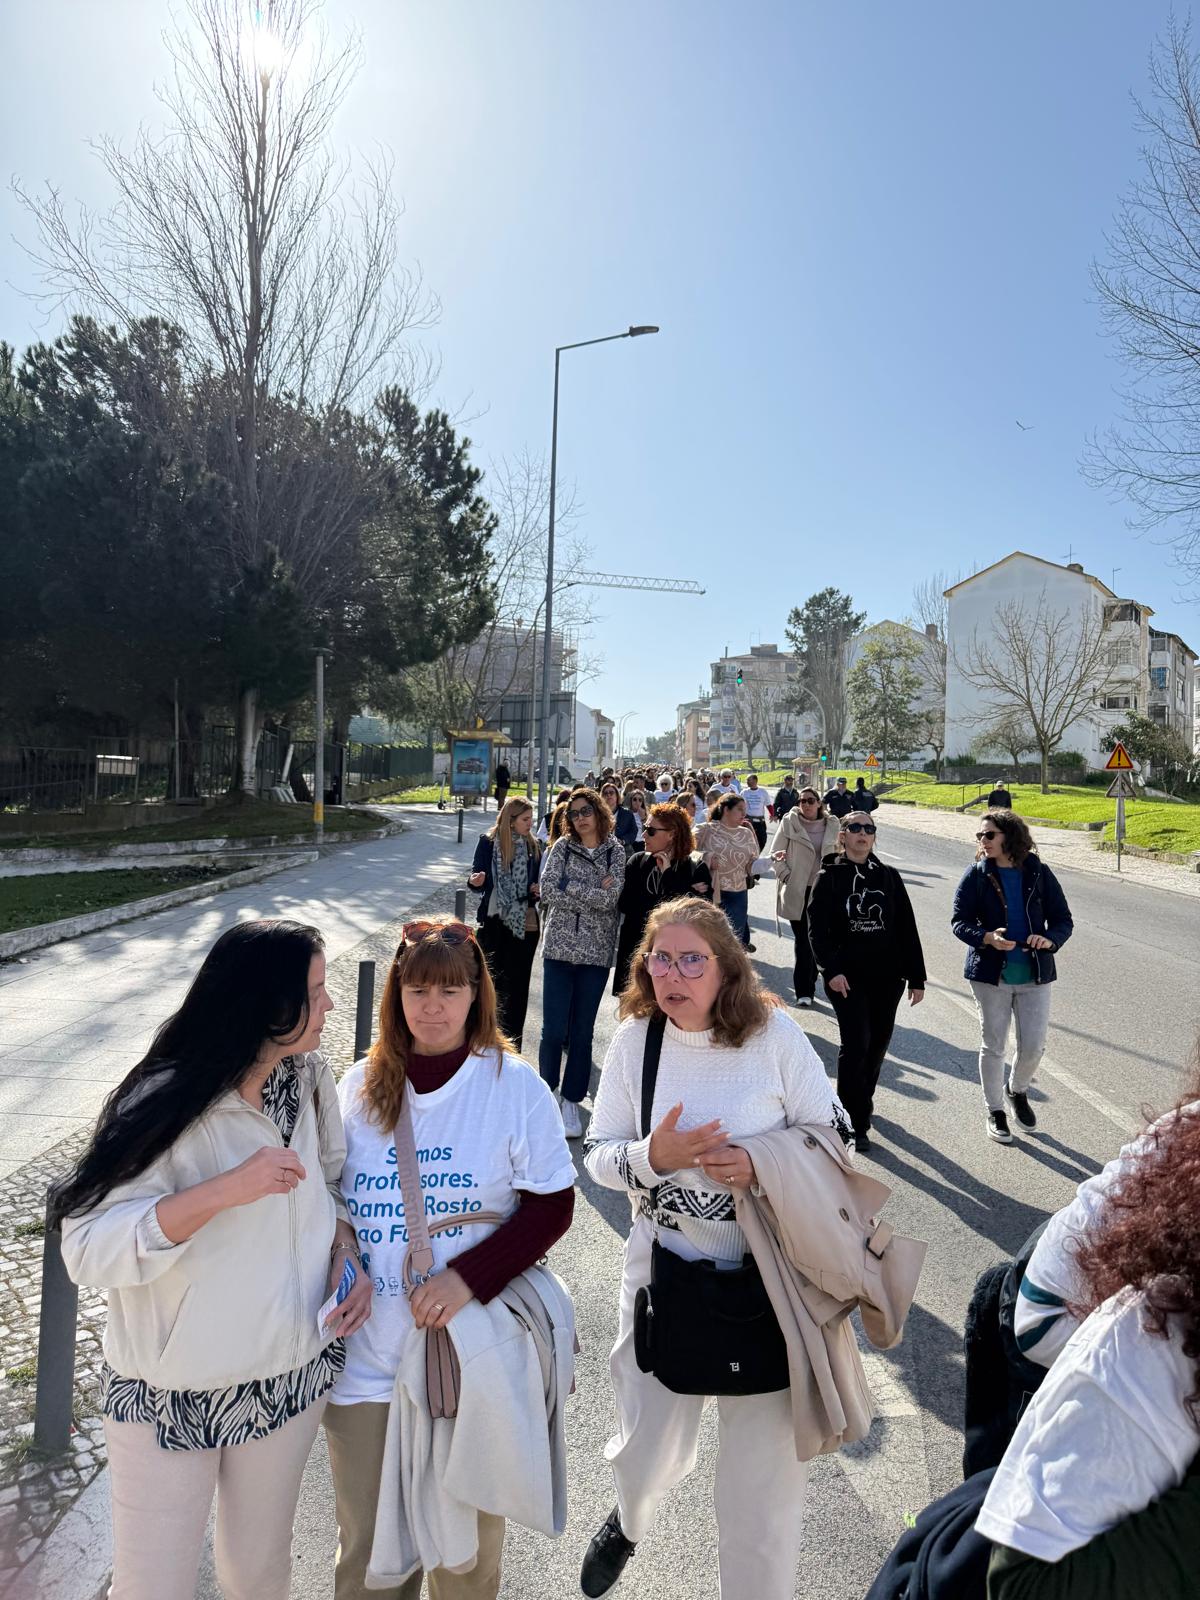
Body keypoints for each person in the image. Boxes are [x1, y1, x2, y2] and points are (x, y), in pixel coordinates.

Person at [55, 921, 371, 1600]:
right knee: (153, 1586)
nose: (330, 1004)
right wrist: (222, 1191)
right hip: (171, 1394)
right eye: (316, 991)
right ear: (266, 1005)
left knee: (258, 1576)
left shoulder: (309, 1080)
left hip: (287, 1378)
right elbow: (84, 1246)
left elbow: (332, 1183)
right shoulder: (164, 1099)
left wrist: (345, 1251)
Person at [580, 899, 852, 1600]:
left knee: (764, 1493)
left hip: (772, 1287)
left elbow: (837, 1135)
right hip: (663, 1275)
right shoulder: (637, 1041)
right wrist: (653, 1157)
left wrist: (761, 1161)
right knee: (646, 1451)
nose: (672, 975)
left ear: (727, 968)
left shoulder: (775, 1036)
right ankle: (629, 1519)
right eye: (660, 959)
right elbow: (598, 1155)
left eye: (691, 960)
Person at [326, 916, 576, 1600]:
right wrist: (344, 1251)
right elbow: (331, 1196)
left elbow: (552, 1206)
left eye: (449, 990)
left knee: (464, 1566)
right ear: (396, 994)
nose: (432, 1006)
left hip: (467, 1363)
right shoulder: (358, 1086)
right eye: (417, 989)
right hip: (366, 1366)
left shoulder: (511, 1086)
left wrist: (467, 1279)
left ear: (476, 995)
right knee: (368, 1563)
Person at [977, 1069, 1200, 1596]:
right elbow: (1023, 1581)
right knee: (1042, 1475)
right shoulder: (1150, 1334)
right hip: (1047, 1312)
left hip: (1070, 1278)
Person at [951, 810, 1073, 1145]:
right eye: (980, 836)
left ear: (1010, 836)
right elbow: (959, 921)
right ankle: (995, 1111)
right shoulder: (976, 874)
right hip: (991, 975)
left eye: (989, 834)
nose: (983, 841)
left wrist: (1050, 940)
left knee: (1033, 1047)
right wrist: (986, 937)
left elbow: (1062, 920)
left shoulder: (1038, 872)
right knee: (994, 1045)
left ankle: (1016, 1090)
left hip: (1035, 973)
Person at [808, 812, 926, 1153]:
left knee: (877, 1045)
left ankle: (862, 1103)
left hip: (887, 977)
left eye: (869, 829)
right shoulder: (828, 877)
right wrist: (831, 970)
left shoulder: (888, 876)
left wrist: (916, 975)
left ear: (874, 837)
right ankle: (852, 1120)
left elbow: (906, 926)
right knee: (857, 1043)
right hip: (847, 978)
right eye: (855, 828)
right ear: (843, 836)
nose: (863, 833)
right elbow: (817, 930)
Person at [537, 787, 626, 1137]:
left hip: (594, 952)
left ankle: (571, 1099)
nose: (580, 818)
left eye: (586, 810)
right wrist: (591, 891)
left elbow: (610, 899)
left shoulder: (615, 851)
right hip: (558, 948)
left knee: (581, 1031)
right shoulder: (562, 847)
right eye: (573, 813)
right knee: (552, 1030)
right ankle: (547, 1093)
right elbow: (547, 889)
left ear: (599, 811)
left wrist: (570, 885)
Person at [612, 802, 712, 993]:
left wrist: (668, 875)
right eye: (644, 828)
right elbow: (625, 904)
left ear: (672, 834)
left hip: (675, 960)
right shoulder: (638, 861)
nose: (643, 835)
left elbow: (697, 914)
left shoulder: (695, 867)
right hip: (636, 952)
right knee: (632, 1008)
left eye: (651, 831)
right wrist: (685, 892)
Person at [467, 797, 542, 1050]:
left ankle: (512, 1048)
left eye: (531, 819)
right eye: (525, 819)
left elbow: (534, 884)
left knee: (517, 991)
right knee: (489, 987)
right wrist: (475, 881)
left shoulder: (533, 846)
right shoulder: (488, 842)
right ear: (510, 821)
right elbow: (476, 877)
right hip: (493, 924)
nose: (530, 824)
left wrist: (535, 890)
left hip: (522, 927)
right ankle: (484, 1042)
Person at [772, 786, 841, 1008]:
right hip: (799, 890)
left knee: (820, 939)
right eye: (802, 801)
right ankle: (804, 990)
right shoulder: (789, 823)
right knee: (804, 941)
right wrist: (787, 876)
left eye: (811, 800)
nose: (806, 805)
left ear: (819, 803)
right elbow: (775, 855)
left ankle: (812, 979)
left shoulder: (833, 824)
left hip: (825, 891)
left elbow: (842, 853)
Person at [695, 792, 761, 953]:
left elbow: (752, 863)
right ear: (726, 810)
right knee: (708, 943)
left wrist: (771, 861)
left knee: (733, 944)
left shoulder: (746, 833)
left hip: (737, 893)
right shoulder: (705, 829)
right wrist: (706, 857)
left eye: (745, 810)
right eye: (739, 809)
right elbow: (686, 853)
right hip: (709, 892)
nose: (744, 813)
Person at [602, 779, 639, 853]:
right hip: (602, 850)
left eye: (611, 792)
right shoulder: (598, 814)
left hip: (623, 849)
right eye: (605, 793)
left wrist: (622, 841)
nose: (608, 795)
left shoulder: (627, 813)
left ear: (617, 795)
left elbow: (633, 832)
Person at [741, 771, 769, 855]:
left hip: (760, 822)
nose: (747, 782)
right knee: (748, 841)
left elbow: (769, 805)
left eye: (748, 780)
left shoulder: (762, 792)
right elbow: (739, 805)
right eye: (747, 780)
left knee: (762, 840)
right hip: (748, 821)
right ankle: (750, 856)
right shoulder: (744, 792)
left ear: (755, 781)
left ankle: (757, 854)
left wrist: (772, 814)